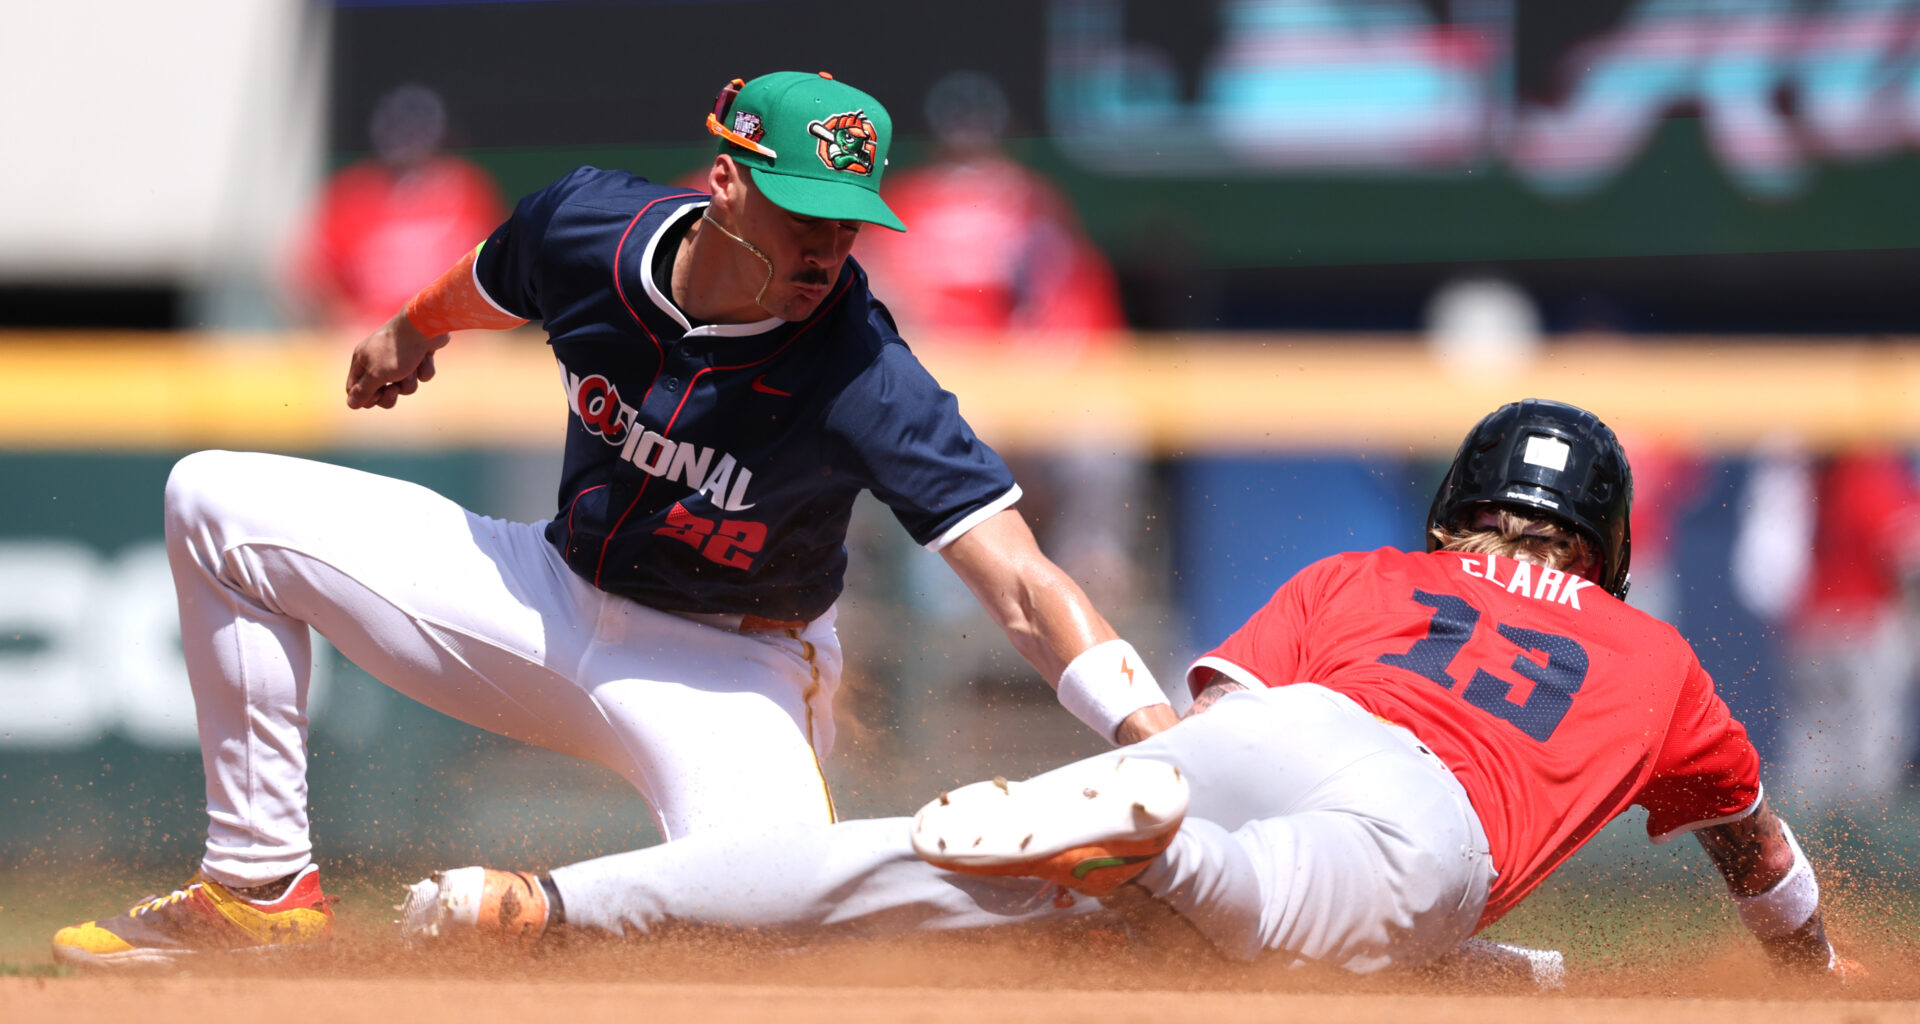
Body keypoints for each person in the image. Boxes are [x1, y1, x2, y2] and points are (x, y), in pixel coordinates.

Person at [50, 70, 1177, 969]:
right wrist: (410, 329)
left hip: (731, 667)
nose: (829, 247)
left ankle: (1074, 922)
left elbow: (1021, 580)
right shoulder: (590, 226)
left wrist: (1152, 732)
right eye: (805, 212)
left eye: (851, 219)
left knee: (777, 924)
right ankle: (258, 887)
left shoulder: (865, 370)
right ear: (730, 181)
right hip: (543, 593)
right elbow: (489, 279)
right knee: (212, 496)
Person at [395, 399, 1857, 983]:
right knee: (1271, 931)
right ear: (1604, 543)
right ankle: (1159, 860)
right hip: (1422, 825)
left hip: (1285, 730)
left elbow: (1210, 731)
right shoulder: (1654, 658)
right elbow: (1758, 853)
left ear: (1455, 508)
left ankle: (541, 903)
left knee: (909, 862)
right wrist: (1807, 965)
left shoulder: (1365, 576)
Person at [288, 84, 508, 332]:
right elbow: (308, 274)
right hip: (371, 336)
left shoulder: (470, 189)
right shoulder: (351, 193)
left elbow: (499, 269)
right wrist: (342, 320)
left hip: (454, 339)